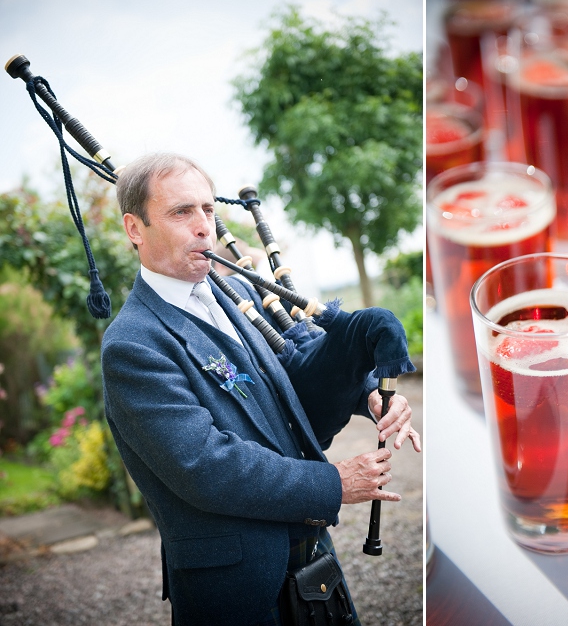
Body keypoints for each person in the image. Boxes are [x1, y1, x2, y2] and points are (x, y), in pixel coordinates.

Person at [101, 152, 421, 626]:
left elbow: (290, 371)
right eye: (180, 212)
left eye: (208, 210)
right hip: (235, 588)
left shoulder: (238, 293)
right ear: (134, 228)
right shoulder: (132, 344)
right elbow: (204, 466)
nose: (203, 226)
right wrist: (334, 482)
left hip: (313, 561)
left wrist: (367, 394)